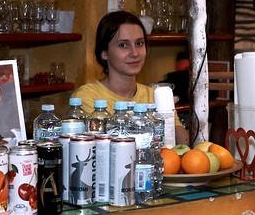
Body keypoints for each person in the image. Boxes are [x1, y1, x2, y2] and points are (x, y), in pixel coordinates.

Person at [72, 10, 188, 144]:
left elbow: (184, 143)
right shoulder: (87, 98)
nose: (134, 53)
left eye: (139, 43)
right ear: (104, 53)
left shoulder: (154, 95)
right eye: (123, 45)